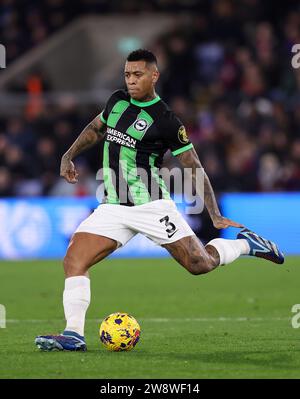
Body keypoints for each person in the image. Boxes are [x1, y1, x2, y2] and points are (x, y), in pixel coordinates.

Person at [35, 49, 284, 352]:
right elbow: (95, 129)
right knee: (74, 260)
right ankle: (73, 333)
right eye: (127, 74)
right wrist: (68, 154)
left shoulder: (166, 120)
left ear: (154, 75)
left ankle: (247, 244)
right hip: (112, 206)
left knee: (198, 264)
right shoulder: (116, 101)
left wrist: (214, 213)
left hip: (151, 206)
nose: (131, 81)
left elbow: (193, 166)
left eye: (137, 75)